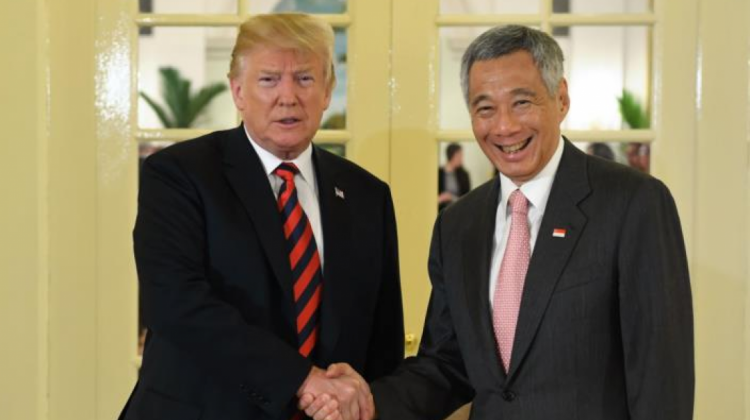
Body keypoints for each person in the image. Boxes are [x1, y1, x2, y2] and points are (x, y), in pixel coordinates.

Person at [365, 25, 693, 420]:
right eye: (485, 108)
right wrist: (365, 401)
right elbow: (447, 365)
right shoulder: (457, 225)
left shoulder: (634, 204)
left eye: (522, 103)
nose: (504, 127)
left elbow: (660, 378)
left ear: (561, 99)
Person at [119, 13, 404, 420]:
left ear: (327, 91)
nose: (288, 97)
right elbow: (175, 304)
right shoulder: (179, 174)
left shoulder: (367, 195)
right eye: (269, 79)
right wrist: (301, 379)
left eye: (305, 79)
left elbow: (382, 339)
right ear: (237, 91)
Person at [438, 143, 472, 210]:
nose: (461, 159)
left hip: (458, 209)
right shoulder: (439, 173)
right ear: (452, 155)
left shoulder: (464, 174)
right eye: (459, 156)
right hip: (440, 210)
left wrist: (451, 197)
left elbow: (468, 198)